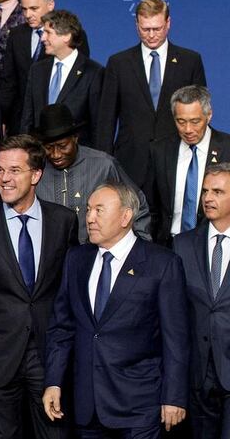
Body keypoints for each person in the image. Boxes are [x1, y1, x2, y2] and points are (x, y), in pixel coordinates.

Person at [0, 134, 78, 439]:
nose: (4, 179)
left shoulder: (64, 221)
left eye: (14, 171)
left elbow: (69, 294)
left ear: (36, 174)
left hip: (47, 355)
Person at [44, 182, 189, 438]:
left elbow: (175, 338)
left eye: (99, 210)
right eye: (88, 210)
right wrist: (53, 381)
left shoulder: (162, 264)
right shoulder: (76, 259)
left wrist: (174, 397)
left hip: (139, 406)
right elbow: (62, 327)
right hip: (86, 407)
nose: (89, 218)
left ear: (125, 217)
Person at [96, 0, 207, 187]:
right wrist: (103, 164)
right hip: (131, 161)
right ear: (136, 25)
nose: (151, 35)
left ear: (168, 23)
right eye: (145, 29)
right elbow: (106, 120)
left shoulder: (190, 61)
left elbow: (200, 112)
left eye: (157, 28)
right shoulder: (119, 63)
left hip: (176, 157)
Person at [34, 104, 152, 243]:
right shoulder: (36, 171)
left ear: (75, 138)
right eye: (48, 148)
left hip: (96, 257)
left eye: (62, 146)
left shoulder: (103, 165)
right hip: (50, 257)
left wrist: (140, 247)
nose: (56, 154)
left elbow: (137, 203)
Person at [173, 163, 230, 438]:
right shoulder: (182, 245)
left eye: (217, 192)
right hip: (197, 376)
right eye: (205, 191)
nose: (208, 198)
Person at [0, 0, 91, 135]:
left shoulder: (72, 35)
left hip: (61, 124)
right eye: (24, 9)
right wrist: (2, 118)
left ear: (50, 4)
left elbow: (79, 83)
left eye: (34, 9)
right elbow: (9, 82)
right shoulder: (16, 35)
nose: (28, 15)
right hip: (23, 122)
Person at [146, 85, 230, 246]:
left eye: (195, 121)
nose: (188, 129)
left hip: (213, 245)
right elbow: (151, 206)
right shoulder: (160, 150)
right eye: (181, 121)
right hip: (168, 245)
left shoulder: (227, 148)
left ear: (209, 115)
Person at [20, 10, 103, 145]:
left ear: (66, 36)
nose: (42, 38)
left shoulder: (93, 72)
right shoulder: (37, 70)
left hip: (78, 155)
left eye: (48, 33)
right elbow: (27, 118)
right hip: (41, 154)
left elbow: (98, 123)